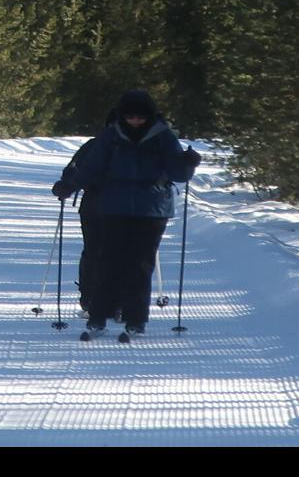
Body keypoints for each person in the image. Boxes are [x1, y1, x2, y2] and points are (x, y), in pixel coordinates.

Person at [55, 90, 198, 336]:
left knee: (140, 265)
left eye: (140, 117)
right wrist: (70, 185)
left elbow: (178, 175)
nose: (135, 121)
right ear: (122, 116)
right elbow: (91, 167)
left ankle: (136, 318)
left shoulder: (163, 138)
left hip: (152, 210)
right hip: (113, 207)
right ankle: (99, 315)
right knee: (109, 261)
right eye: (130, 116)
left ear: (149, 116)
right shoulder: (111, 136)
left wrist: (188, 163)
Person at [53, 109, 115, 317]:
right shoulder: (93, 146)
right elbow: (73, 170)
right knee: (96, 251)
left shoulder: (95, 145)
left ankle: (115, 300)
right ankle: (91, 298)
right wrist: (66, 185)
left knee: (117, 253)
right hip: (95, 206)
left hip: (123, 207)